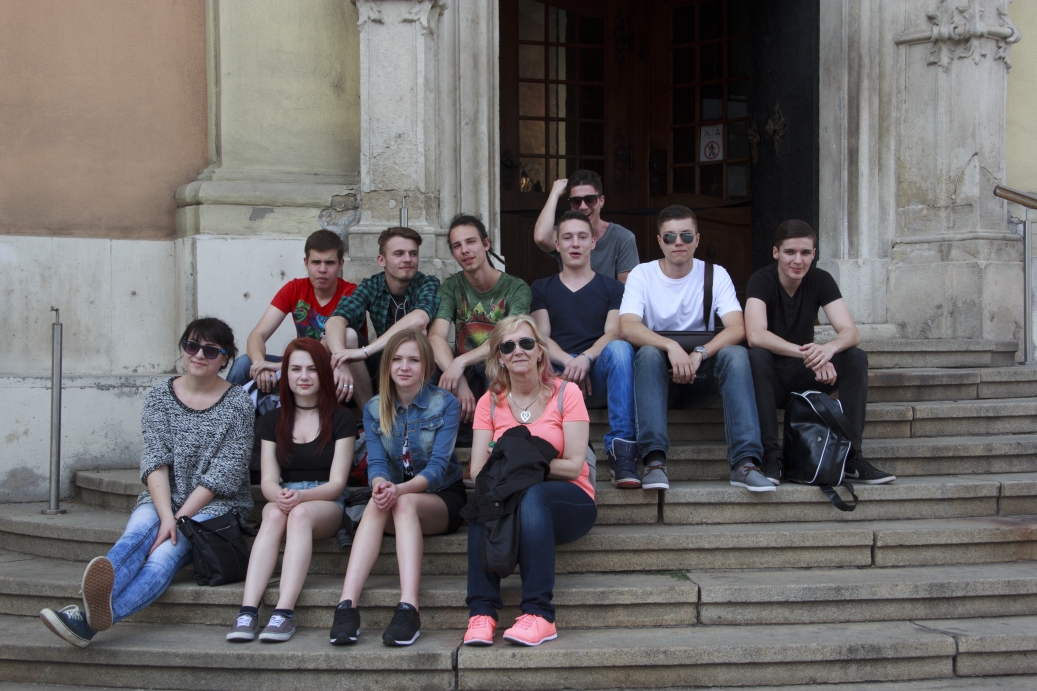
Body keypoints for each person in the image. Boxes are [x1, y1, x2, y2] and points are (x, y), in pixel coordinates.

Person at [39, 318, 254, 648]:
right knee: (137, 535)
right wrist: (166, 516)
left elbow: (223, 475)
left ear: (225, 358)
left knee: (161, 558)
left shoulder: (238, 403)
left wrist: (179, 520)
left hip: (215, 507)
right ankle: (88, 618)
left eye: (211, 350)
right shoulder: (159, 397)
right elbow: (155, 461)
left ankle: (86, 620)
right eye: (192, 346)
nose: (199, 355)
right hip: (163, 497)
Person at [463, 315, 596, 648]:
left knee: (533, 495)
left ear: (540, 351)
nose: (518, 351)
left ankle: (540, 614)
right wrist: (521, 464)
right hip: (509, 502)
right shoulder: (489, 402)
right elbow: (477, 470)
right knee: (482, 497)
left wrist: (516, 460)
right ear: (499, 358)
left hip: (568, 500)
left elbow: (573, 466)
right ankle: (482, 612)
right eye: (508, 346)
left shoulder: (567, 394)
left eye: (526, 343)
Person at [619, 204, 771, 493]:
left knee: (737, 354)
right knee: (648, 353)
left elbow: (737, 327)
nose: (678, 242)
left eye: (686, 236)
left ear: (697, 239)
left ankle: (745, 462)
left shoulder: (715, 274)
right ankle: (653, 461)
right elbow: (627, 326)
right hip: (657, 380)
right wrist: (671, 346)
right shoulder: (642, 274)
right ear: (659, 241)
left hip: (702, 377)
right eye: (670, 236)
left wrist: (700, 353)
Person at [329, 330, 466, 647]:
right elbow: (377, 464)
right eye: (397, 359)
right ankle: (347, 605)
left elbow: (437, 470)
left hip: (441, 499)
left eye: (413, 360)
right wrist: (380, 485)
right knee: (379, 501)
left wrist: (398, 491)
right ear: (387, 365)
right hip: (395, 498)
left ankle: (409, 607)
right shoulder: (374, 408)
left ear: (426, 366)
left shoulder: (445, 403)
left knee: (400, 502)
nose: (404, 367)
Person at [226, 338, 357, 643]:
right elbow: (269, 480)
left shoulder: (341, 418)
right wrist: (281, 495)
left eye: (312, 369)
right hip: (286, 495)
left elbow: (337, 483)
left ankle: (283, 612)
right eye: (295, 369)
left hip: (326, 501)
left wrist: (301, 497)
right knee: (272, 515)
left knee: (299, 515)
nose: (304, 376)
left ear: (324, 373)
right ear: (285, 374)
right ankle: (247, 611)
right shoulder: (273, 419)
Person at [745, 219, 895, 485]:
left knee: (855, 357)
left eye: (805, 252)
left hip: (805, 377)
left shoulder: (820, 279)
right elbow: (756, 335)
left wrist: (828, 349)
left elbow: (850, 332)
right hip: (769, 379)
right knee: (756, 355)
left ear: (814, 254)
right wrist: (809, 355)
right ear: (776, 252)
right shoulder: (761, 280)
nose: (798, 260)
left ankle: (851, 458)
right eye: (790, 252)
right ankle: (771, 456)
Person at [530, 210, 638, 487]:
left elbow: (614, 331)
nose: (575, 244)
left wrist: (586, 359)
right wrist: (571, 362)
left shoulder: (613, 288)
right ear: (557, 244)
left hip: (598, 378)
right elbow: (541, 336)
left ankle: (622, 451)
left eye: (581, 237)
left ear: (593, 242)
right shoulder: (541, 287)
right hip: (557, 380)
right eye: (567, 238)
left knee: (620, 349)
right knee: (536, 354)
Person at [429, 214, 531, 430]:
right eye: (457, 246)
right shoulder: (451, 287)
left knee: (495, 367)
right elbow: (436, 336)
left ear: (486, 244)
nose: (464, 250)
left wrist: (460, 362)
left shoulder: (516, 288)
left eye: (470, 242)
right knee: (424, 364)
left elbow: (509, 338)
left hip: (496, 365)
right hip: (464, 370)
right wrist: (458, 376)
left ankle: (501, 435)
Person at [324, 226, 441, 410]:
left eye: (413, 253)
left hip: (418, 364)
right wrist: (341, 360)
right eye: (399, 253)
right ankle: (370, 415)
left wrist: (365, 351)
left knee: (421, 335)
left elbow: (419, 320)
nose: (408, 259)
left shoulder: (427, 283)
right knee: (347, 335)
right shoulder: (372, 285)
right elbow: (335, 320)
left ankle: (413, 417)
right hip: (382, 363)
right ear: (382, 260)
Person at [227, 229, 360, 390]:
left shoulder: (352, 293)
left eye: (329, 263)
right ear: (306, 263)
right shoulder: (295, 289)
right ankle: (226, 405)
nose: (322, 269)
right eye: (316, 262)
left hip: (334, 366)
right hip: (298, 364)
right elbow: (257, 334)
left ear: (341, 264)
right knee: (243, 364)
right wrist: (260, 364)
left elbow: (330, 345)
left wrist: (282, 366)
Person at [533, 169, 639, 283]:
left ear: (601, 200)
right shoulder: (564, 233)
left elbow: (626, 287)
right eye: (576, 201)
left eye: (590, 200)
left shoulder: (623, 238)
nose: (583, 207)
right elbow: (541, 237)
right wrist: (554, 193)